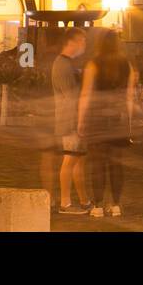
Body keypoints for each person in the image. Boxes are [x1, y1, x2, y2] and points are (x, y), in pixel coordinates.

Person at [77, 31, 136, 218]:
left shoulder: (93, 64)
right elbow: (129, 97)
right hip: (118, 118)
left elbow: (85, 94)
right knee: (116, 164)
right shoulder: (127, 65)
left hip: (97, 118)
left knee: (97, 163)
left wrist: (81, 120)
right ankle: (116, 205)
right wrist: (129, 122)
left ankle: (97, 205)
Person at [51, 28, 90, 214]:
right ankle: (65, 204)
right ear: (72, 42)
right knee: (70, 160)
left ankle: (84, 201)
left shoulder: (66, 64)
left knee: (78, 161)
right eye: (82, 41)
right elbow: (71, 96)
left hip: (73, 119)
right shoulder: (62, 65)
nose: (84, 45)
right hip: (70, 120)